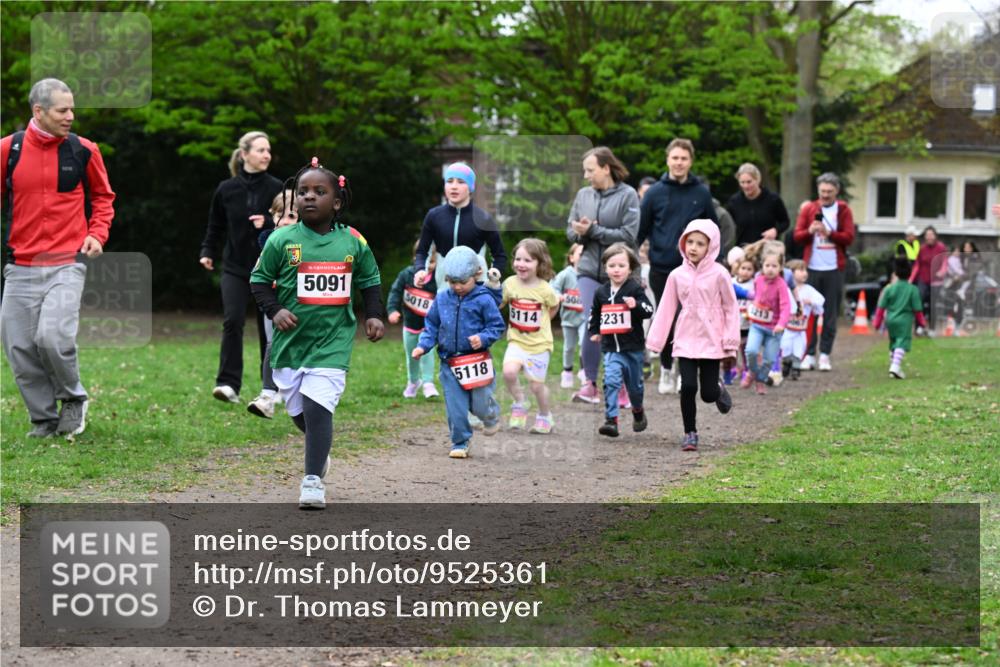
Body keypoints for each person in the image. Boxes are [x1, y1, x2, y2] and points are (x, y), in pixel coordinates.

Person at [250, 158, 385, 509]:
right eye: (303, 192)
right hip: (291, 345)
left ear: (336, 202)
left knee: (317, 405)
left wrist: (374, 315)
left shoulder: (354, 241)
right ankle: (318, 449)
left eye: (319, 192)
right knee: (300, 413)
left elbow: (370, 281)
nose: (309, 197)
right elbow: (259, 281)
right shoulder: (281, 239)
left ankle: (312, 480)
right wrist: (275, 310)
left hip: (333, 342)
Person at [1, 78, 115, 437]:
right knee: (19, 346)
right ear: (39, 111)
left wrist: (97, 233)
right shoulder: (9, 150)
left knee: (52, 337)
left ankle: (73, 398)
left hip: (67, 262)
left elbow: (103, 197)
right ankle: (44, 419)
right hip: (19, 265)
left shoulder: (84, 150)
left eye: (72, 109)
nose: (71, 116)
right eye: (62, 110)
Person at [200, 131, 283, 404]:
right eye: (261, 150)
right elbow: (215, 226)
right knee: (232, 321)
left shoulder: (276, 187)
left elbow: (291, 224)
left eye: (268, 150)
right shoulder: (226, 189)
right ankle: (227, 384)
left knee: (268, 328)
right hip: (234, 267)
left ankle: (272, 388)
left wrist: (268, 225)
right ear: (245, 154)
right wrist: (207, 252)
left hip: (268, 270)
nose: (266, 155)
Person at [647, 220, 738, 452]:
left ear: (711, 246)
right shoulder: (677, 275)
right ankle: (690, 432)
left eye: (700, 243)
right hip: (685, 337)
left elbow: (731, 308)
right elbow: (666, 309)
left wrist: (730, 340)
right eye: (690, 242)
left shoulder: (720, 274)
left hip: (712, 338)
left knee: (707, 394)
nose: (694, 248)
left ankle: (717, 388)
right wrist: (655, 341)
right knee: (687, 386)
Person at [636, 138, 718, 395]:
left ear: (690, 161)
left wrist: (715, 261)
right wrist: (632, 261)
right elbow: (641, 229)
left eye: (684, 158)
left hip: (694, 269)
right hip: (662, 266)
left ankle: (686, 371)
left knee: (692, 318)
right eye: (675, 158)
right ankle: (667, 368)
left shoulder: (701, 193)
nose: (679, 162)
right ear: (667, 159)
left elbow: (713, 229)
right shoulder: (654, 193)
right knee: (667, 317)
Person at [413, 246, 505, 459]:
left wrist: (483, 338)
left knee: (480, 405)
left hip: (477, 361)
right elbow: (432, 326)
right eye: (452, 282)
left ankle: (490, 415)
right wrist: (423, 345)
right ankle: (460, 441)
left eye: (463, 282)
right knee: (456, 407)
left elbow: (497, 327)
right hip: (450, 363)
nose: (457, 287)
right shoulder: (442, 298)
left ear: (477, 275)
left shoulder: (484, 299)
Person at [565, 146, 641, 406]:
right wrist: (579, 233)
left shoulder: (628, 195)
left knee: (615, 325)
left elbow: (628, 236)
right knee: (592, 321)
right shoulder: (583, 195)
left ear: (606, 168)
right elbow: (570, 231)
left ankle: (619, 385)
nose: (586, 175)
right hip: (587, 270)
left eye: (590, 170)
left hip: (619, 273)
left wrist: (594, 231)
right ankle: (589, 384)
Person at [588, 243, 655, 437]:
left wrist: (637, 305)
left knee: (635, 387)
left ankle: (638, 410)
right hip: (610, 348)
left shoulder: (634, 288)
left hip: (633, 348)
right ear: (605, 267)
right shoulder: (601, 292)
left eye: (621, 265)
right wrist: (594, 331)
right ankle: (611, 420)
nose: (616, 270)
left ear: (630, 268)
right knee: (611, 381)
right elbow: (595, 314)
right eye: (612, 265)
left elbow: (649, 310)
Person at [792, 172, 855, 372]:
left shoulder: (843, 210)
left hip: (834, 268)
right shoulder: (810, 208)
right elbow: (797, 235)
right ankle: (809, 354)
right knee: (809, 312)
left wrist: (831, 234)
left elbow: (849, 237)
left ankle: (825, 354)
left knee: (829, 313)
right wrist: (810, 231)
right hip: (811, 269)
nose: (825, 195)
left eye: (829, 191)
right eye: (822, 191)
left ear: (836, 191)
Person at [413, 162, 506, 290]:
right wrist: (419, 270)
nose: (454, 187)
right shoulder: (433, 216)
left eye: (461, 182)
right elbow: (422, 251)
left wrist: (493, 274)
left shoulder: (483, 218)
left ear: (470, 187)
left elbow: (499, 255)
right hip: (445, 289)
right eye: (449, 181)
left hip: (477, 290)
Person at [500, 238, 560, 433]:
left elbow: (554, 305)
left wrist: (544, 322)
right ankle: (520, 402)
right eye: (518, 259)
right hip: (516, 341)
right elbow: (500, 303)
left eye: (527, 260)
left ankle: (545, 416)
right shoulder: (509, 284)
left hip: (539, 345)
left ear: (539, 263)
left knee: (536, 386)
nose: (521, 264)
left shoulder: (545, 289)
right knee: (508, 372)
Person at [247, 190, 298, 418]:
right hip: (274, 305)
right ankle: (268, 394)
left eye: (292, 216)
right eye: (281, 215)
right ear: (273, 215)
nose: (286, 220)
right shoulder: (269, 240)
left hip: (302, 306)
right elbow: (260, 274)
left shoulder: (308, 242)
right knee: (272, 344)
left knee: (298, 349)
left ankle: (294, 391)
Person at [387, 241, 439, 399]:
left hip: (428, 328)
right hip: (409, 326)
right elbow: (395, 292)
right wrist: (392, 310)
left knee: (427, 353)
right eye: (423, 260)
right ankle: (413, 381)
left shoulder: (438, 279)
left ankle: (428, 382)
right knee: (411, 356)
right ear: (415, 258)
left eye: (431, 261)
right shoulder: (406, 274)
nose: (427, 266)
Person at [740, 243, 791, 395]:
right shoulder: (758, 279)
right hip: (757, 325)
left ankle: (760, 380)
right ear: (762, 266)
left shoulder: (781, 285)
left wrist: (781, 324)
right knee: (750, 351)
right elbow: (756, 297)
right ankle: (752, 372)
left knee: (769, 360)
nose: (770, 269)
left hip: (775, 329)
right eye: (767, 265)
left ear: (780, 268)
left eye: (774, 266)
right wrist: (751, 311)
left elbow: (786, 306)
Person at [872, 258, 926, 379]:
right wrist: (922, 322)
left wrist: (877, 322)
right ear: (910, 274)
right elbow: (917, 309)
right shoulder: (913, 289)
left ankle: (894, 366)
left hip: (890, 320)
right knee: (902, 342)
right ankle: (895, 366)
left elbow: (881, 307)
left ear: (895, 273)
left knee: (894, 342)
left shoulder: (889, 288)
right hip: (904, 321)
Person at [780, 259, 825, 381]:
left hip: (800, 328)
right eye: (800, 270)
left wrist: (810, 301)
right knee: (785, 346)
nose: (804, 273)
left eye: (805, 270)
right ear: (791, 273)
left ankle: (796, 368)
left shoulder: (808, 289)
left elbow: (820, 300)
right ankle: (786, 363)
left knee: (800, 347)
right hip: (787, 327)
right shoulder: (786, 289)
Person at [727, 163, 791, 247]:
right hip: (743, 249)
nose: (746, 186)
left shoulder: (773, 199)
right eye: (742, 182)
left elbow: (785, 222)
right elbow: (728, 226)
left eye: (749, 182)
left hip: (768, 248)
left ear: (758, 179)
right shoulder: (734, 201)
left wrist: (775, 230)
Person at [551, 243, 585, 389]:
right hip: (568, 318)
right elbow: (553, 286)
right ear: (572, 258)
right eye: (580, 254)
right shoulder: (566, 273)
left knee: (585, 343)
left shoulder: (590, 275)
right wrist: (558, 296)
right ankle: (567, 371)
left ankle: (584, 370)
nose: (584, 258)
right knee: (568, 347)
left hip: (585, 317)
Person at [908, 225, 948, 331]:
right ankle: (919, 327)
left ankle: (932, 328)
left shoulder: (941, 247)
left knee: (932, 304)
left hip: (936, 280)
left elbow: (944, 261)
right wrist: (911, 279)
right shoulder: (922, 248)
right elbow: (917, 265)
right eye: (927, 235)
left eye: (931, 235)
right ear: (925, 237)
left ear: (935, 236)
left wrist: (942, 272)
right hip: (923, 278)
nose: (929, 237)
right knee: (919, 301)